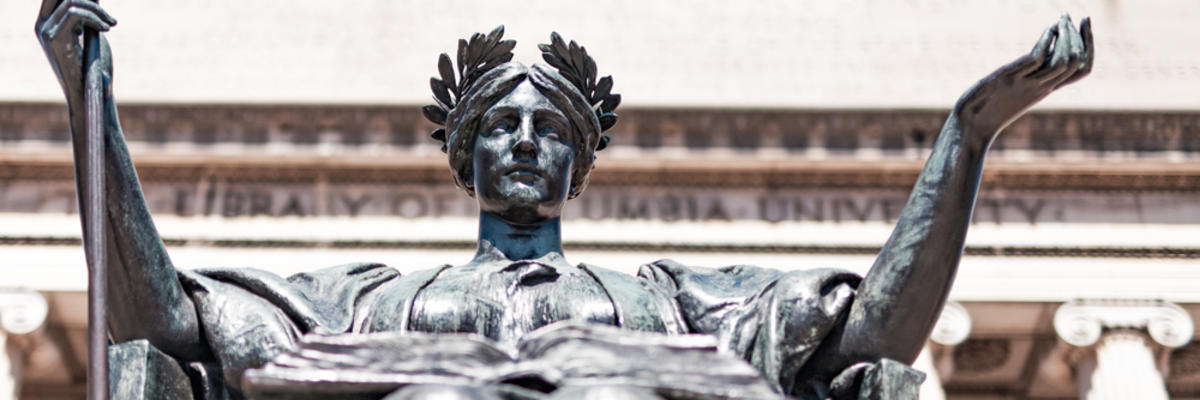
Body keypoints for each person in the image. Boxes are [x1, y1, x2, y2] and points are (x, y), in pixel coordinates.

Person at [35, 0, 1093, 398]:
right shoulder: (363, 303)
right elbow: (164, 323)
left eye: (552, 130)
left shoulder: (670, 303)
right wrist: (92, 112)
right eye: (501, 125)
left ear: (578, 166)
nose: (527, 142)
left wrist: (967, 135)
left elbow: (872, 332)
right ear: (467, 157)